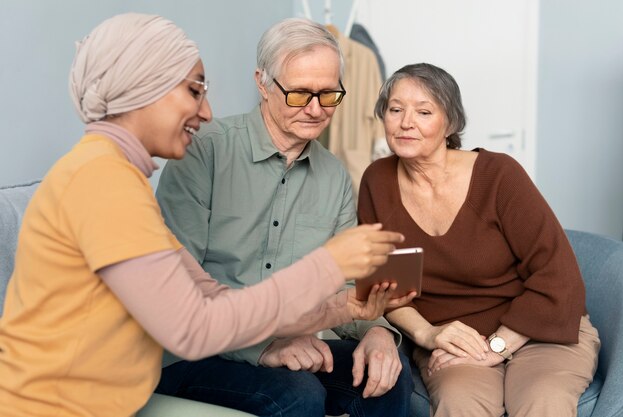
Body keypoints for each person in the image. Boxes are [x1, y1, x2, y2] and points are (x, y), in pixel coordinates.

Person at [0, 13, 412, 417]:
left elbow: (214, 298)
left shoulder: (118, 179)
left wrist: (354, 312)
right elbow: (194, 329)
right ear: (147, 90)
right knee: (295, 393)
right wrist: (328, 265)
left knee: (385, 380)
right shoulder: (104, 182)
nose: (208, 112)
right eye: (195, 92)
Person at [155, 17, 414, 417]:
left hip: (292, 346)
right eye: (299, 94)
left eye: (329, 95)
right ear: (262, 82)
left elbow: (347, 284)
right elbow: (177, 288)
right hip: (194, 352)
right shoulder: (203, 153)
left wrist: (378, 332)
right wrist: (263, 347)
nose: (315, 110)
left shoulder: (334, 176)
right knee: (298, 393)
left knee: (388, 377)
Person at [358, 62, 601, 417]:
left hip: (540, 332)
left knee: (541, 402)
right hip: (455, 342)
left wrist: (498, 346)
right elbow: (384, 289)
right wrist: (428, 335)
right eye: (395, 109)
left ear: (451, 123)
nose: (406, 122)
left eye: (424, 111)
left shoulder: (499, 175)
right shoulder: (377, 181)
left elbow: (558, 276)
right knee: (460, 405)